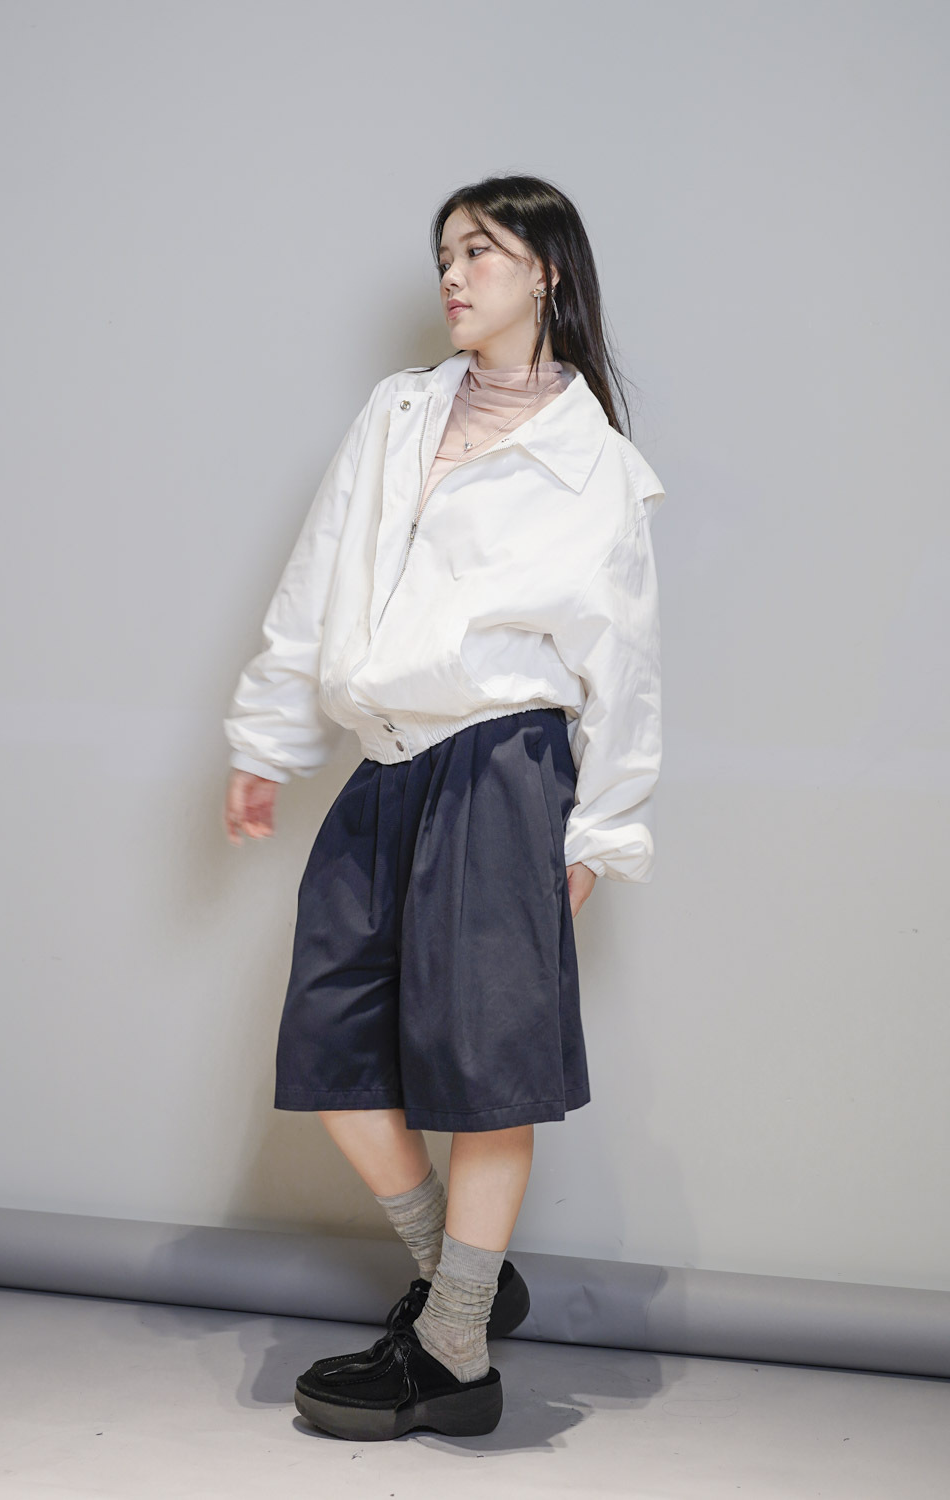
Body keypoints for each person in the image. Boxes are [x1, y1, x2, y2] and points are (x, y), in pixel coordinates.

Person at [222, 173, 667, 1442]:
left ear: (546, 271)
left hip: (504, 769)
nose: (452, 274)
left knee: (483, 1072)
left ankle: (455, 1359)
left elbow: (625, 664)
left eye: (480, 251)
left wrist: (599, 833)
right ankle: (458, 1286)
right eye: (444, 254)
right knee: (333, 1046)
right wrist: (267, 738)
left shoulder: (592, 464)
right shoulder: (398, 410)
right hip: (387, 764)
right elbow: (316, 573)